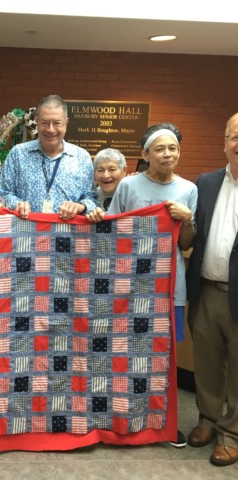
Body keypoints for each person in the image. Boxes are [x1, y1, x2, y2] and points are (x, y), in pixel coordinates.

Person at [87, 123, 197, 449]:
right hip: (126, 286)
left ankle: (163, 423)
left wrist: (187, 219)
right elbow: (110, 231)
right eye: (160, 149)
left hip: (167, 287)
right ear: (146, 154)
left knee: (161, 357)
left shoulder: (188, 189)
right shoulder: (129, 186)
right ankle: (120, 417)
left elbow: (188, 242)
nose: (168, 154)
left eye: (173, 148)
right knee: (121, 351)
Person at [185, 112, 238, 466]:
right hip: (205, 290)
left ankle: (232, 433)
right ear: (224, 142)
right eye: (235, 136)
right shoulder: (204, 182)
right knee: (206, 364)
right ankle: (207, 419)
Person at [0, 94, 98, 220]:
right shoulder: (17, 154)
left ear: (66, 123)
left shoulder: (82, 157)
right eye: (44, 123)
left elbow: (92, 199)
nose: (50, 130)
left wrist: (80, 206)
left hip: (67, 235)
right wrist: (17, 204)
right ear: (36, 121)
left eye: (57, 123)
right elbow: (3, 194)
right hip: (26, 235)